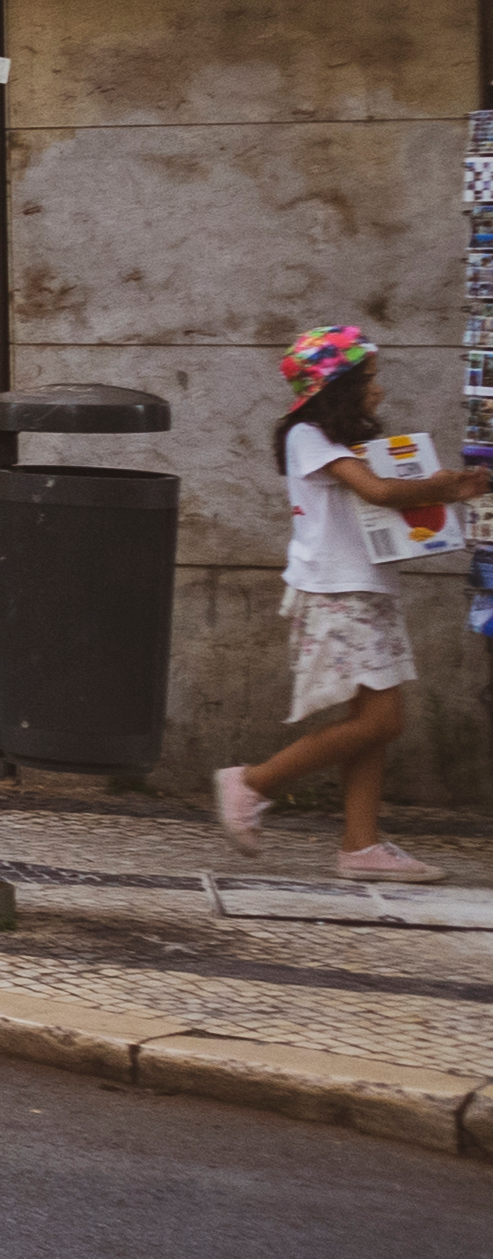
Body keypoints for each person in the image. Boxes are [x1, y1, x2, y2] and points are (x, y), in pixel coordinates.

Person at [217, 328, 482, 881]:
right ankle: (252, 782)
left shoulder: (330, 441)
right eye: (369, 380)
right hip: (337, 594)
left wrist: (440, 489)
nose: (379, 391)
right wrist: (447, 487)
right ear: (336, 387)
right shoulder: (306, 436)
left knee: (371, 721)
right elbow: (378, 493)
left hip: (363, 589)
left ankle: (360, 847)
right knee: (383, 720)